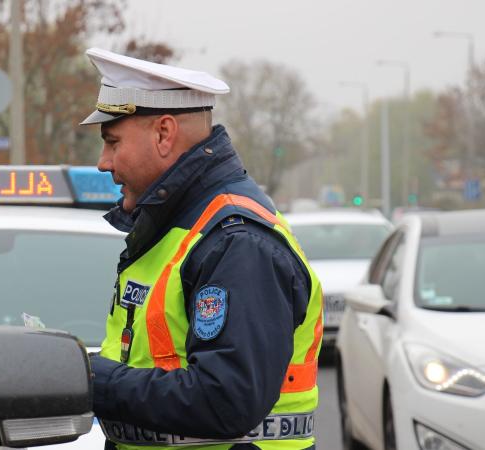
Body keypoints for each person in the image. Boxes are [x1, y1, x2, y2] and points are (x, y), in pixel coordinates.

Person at [80, 48, 324, 450]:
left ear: (164, 133)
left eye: (112, 142)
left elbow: (226, 400)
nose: (103, 162)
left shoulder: (237, 243)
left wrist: (91, 380)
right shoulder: (178, 228)